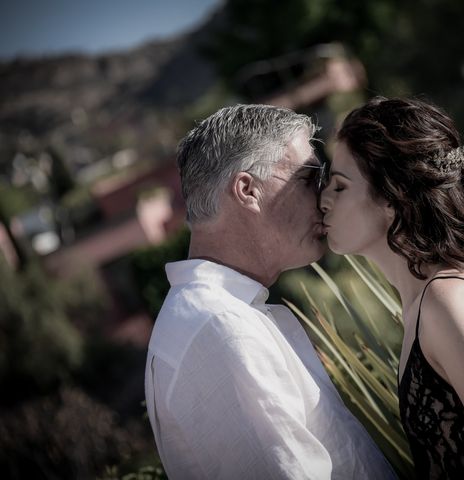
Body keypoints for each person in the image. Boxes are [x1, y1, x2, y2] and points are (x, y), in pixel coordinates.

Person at [144, 104, 397, 480]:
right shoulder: (220, 327)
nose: (324, 196)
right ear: (248, 190)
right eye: (311, 176)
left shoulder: (217, 317)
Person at [320, 97, 464, 479]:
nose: (324, 200)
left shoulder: (450, 302)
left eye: (340, 186)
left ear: (393, 199)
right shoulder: (427, 300)